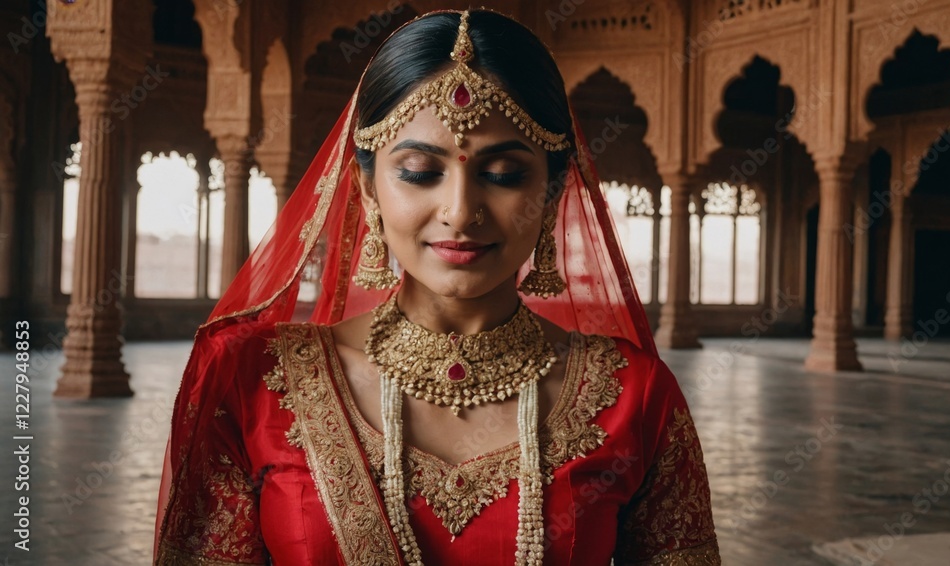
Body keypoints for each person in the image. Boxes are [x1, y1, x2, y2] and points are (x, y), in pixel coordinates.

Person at [154, 9, 720, 566]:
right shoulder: (251, 381)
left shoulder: (633, 396)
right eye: (421, 172)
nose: (460, 211)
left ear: (553, 191)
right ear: (368, 187)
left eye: (503, 175)